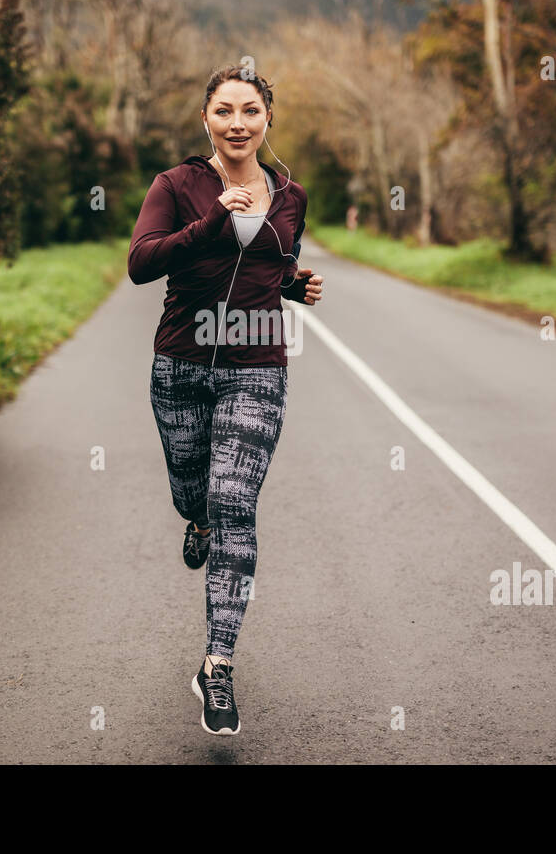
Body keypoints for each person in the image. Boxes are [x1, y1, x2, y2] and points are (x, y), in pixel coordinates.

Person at [128, 64, 324, 736]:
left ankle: (218, 665)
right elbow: (142, 262)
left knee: (237, 502)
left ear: (269, 119)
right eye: (224, 111)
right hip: (180, 362)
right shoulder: (177, 186)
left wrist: (293, 288)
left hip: (257, 366)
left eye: (250, 111)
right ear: (205, 119)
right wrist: (212, 222)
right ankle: (196, 520)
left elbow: (271, 264)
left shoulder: (291, 194)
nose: (238, 124)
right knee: (195, 495)